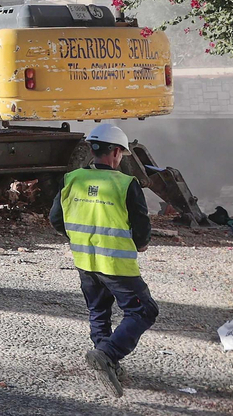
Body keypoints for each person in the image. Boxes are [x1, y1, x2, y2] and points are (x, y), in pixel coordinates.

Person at [49, 122, 155, 398]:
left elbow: (55, 219)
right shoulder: (125, 184)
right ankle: (107, 354)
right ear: (117, 153)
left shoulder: (71, 179)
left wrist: (77, 238)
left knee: (99, 313)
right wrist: (141, 244)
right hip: (117, 266)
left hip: (85, 262)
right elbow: (141, 226)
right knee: (144, 311)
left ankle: (107, 365)